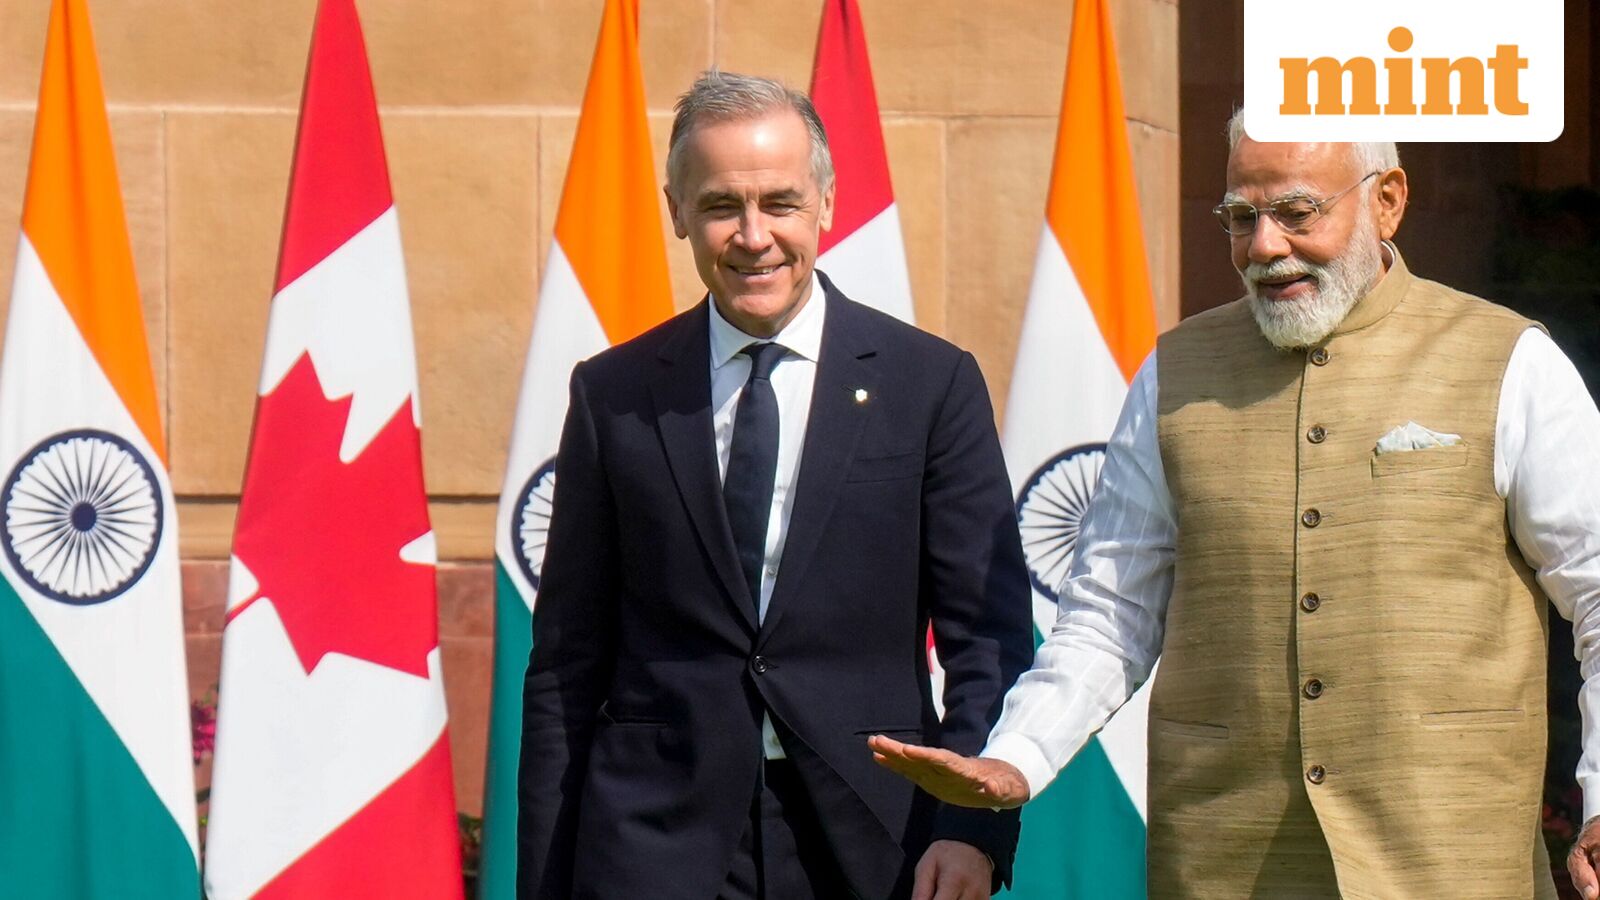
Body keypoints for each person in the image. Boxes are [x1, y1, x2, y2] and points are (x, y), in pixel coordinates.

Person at [872, 114, 1600, 899]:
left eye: (1296, 213)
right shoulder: (1175, 373)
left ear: (1387, 201)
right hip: (1225, 863)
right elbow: (1109, 615)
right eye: (1241, 217)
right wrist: (1017, 756)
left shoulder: (1509, 362)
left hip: (1450, 864)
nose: (1264, 247)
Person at [516, 70, 1033, 900]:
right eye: (722, 205)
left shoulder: (929, 385)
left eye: (781, 203)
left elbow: (990, 641)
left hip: (875, 842)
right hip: (653, 846)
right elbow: (566, 666)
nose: (754, 236)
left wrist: (971, 828)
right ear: (677, 212)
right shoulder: (614, 395)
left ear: (826, 203)